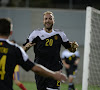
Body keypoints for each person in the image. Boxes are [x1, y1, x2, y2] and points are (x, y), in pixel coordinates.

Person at [0, 18, 67, 90]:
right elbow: (35, 68)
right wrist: (54, 75)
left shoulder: (16, 49)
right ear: (11, 32)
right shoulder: (15, 49)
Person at [23, 11, 79, 90]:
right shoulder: (36, 33)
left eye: (50, 18)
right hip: (40, 70)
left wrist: (74, 47)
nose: (48, 21)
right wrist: (26, 47)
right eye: (46, 19)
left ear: (53, 20)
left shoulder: (60, 34)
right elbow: (22, 49)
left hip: (55, 69)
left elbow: (71, 49)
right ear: (43, 21)